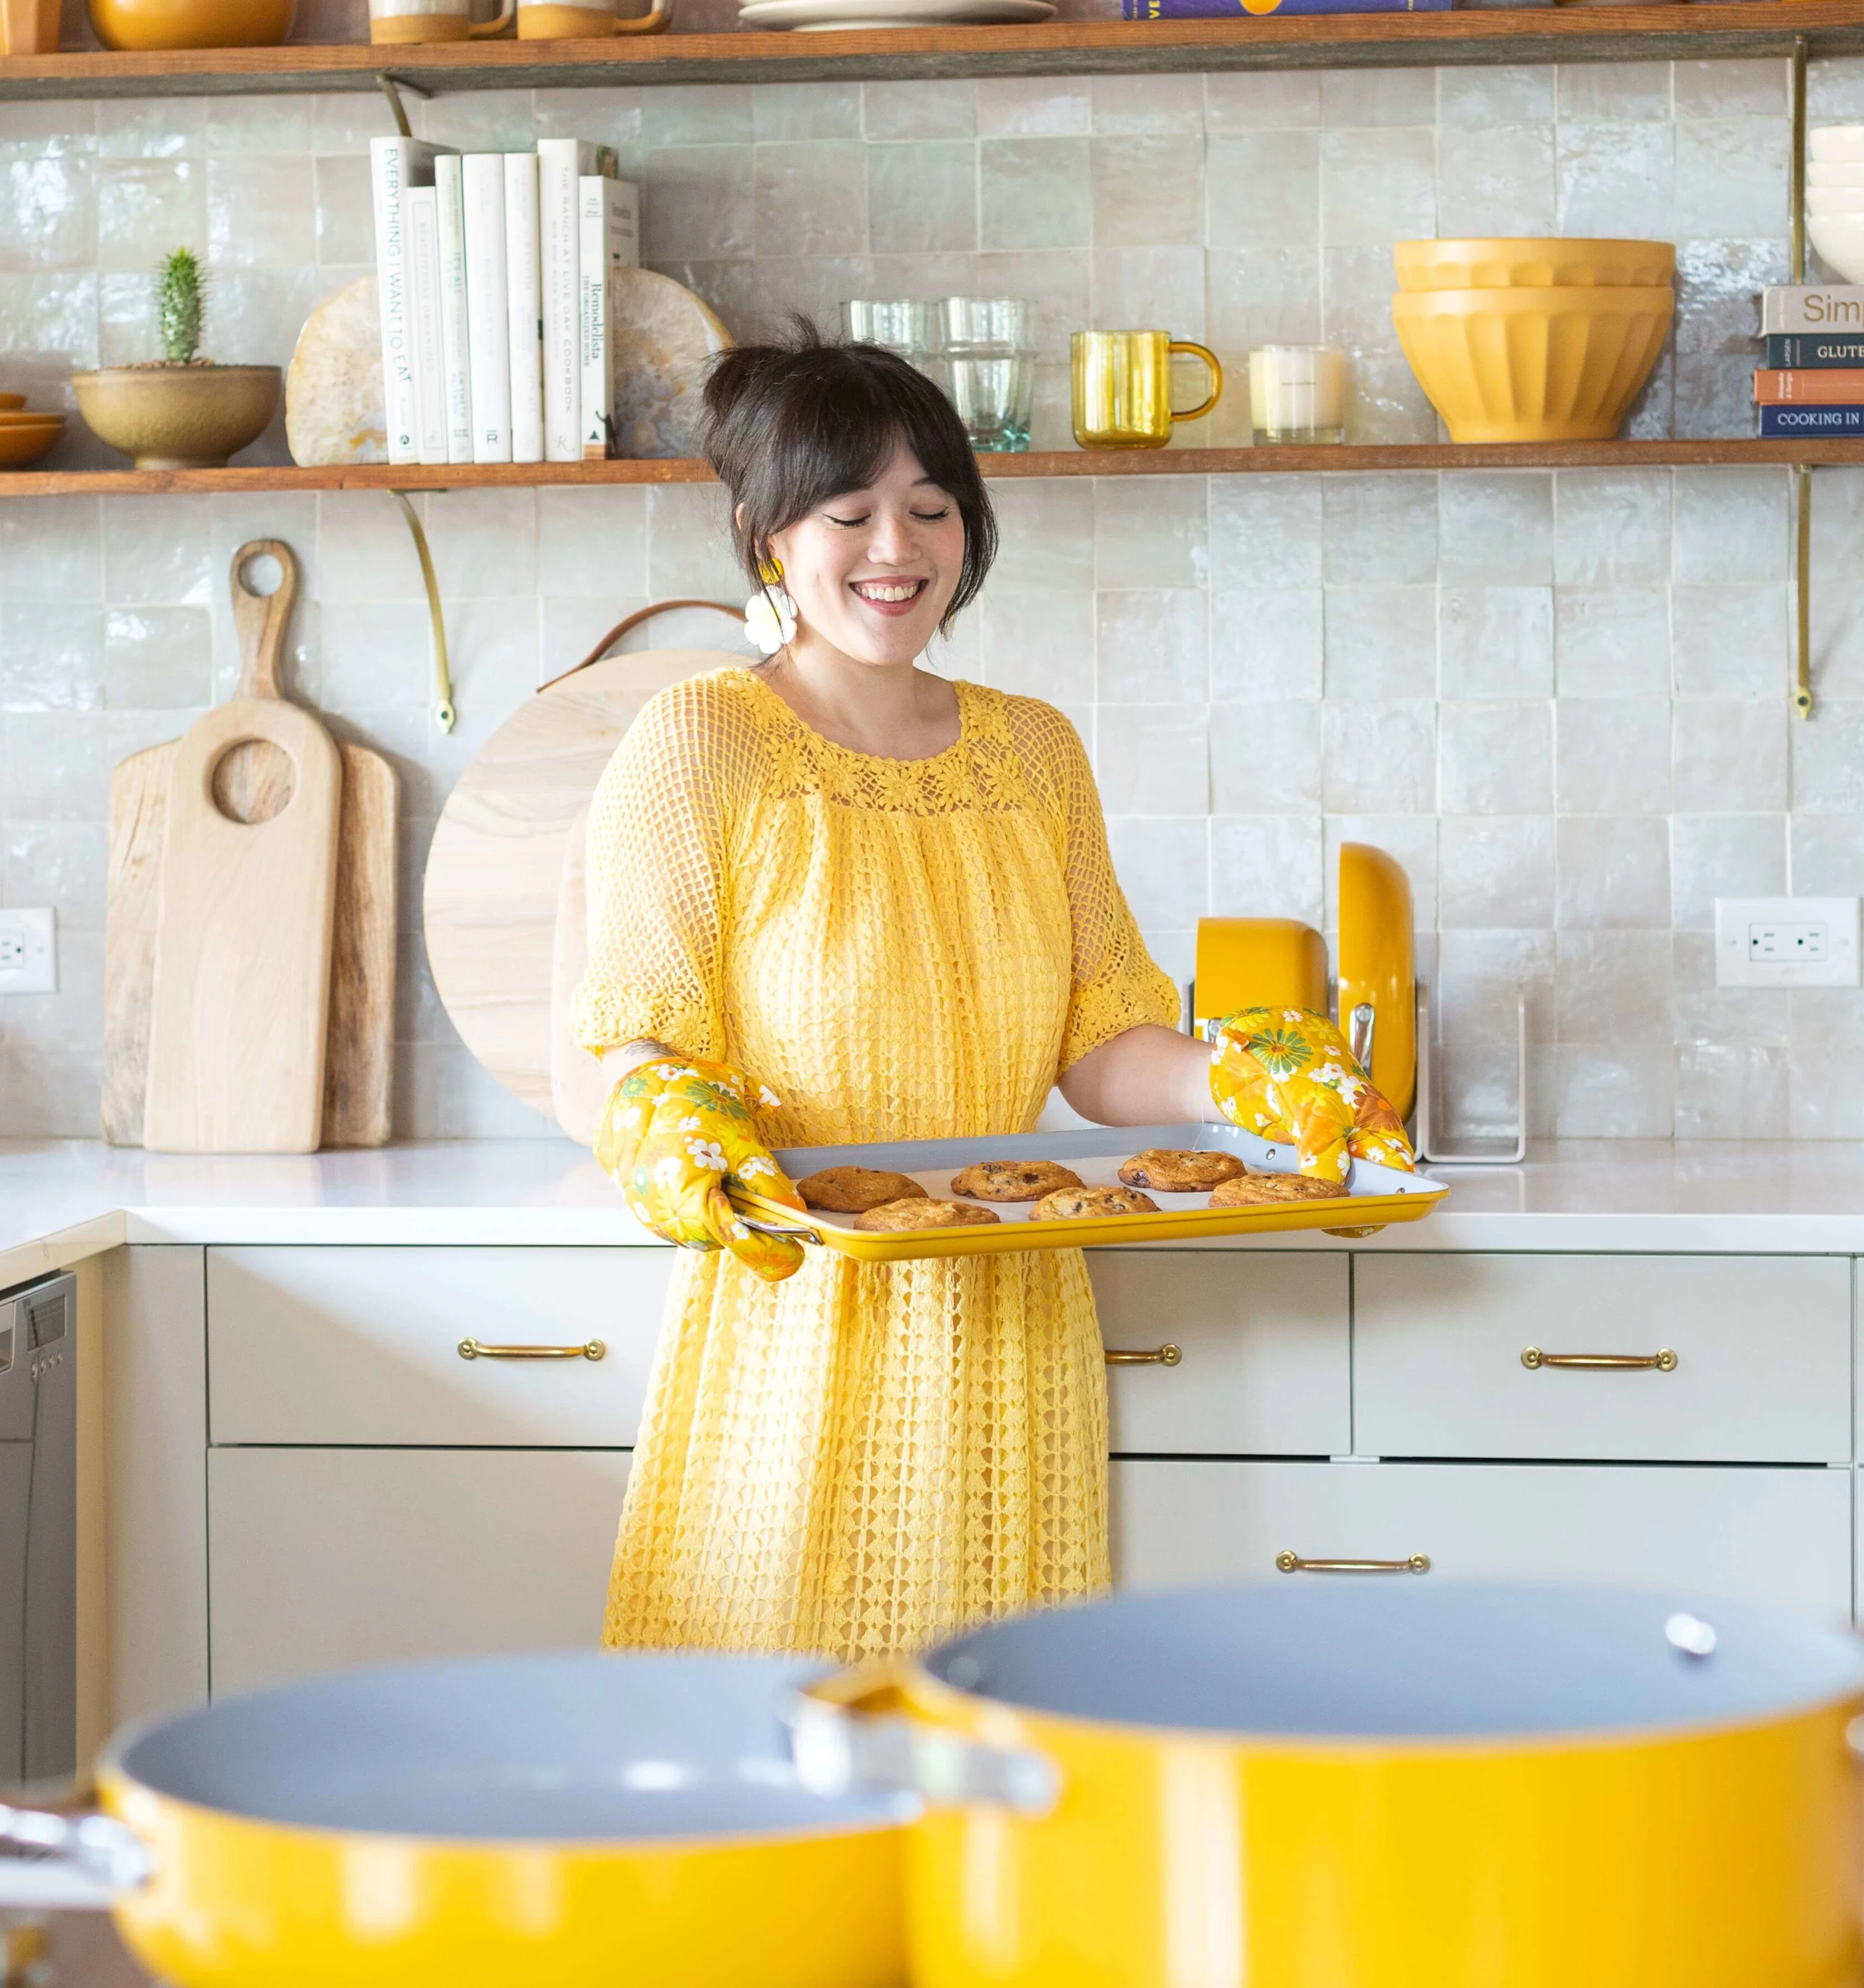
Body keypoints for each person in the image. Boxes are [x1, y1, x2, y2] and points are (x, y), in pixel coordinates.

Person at [572, 324, 1413, 1662]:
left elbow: (1104, 1040)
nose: (895, 548)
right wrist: (667, 1117)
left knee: (1003, 1734)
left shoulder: (1034, 750)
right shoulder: (702, 742)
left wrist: (1249, 1079)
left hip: (1011, 1325)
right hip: (800, 1313)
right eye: (848, 512)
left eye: (930, 507)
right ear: (767, 538)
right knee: (775, 1737)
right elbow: (633, 1034)